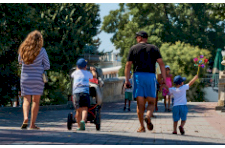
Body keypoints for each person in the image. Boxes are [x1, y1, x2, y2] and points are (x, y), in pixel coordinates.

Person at [125, 31, 167, 132]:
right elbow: (161, 64)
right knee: (151, 102)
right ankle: (148, 116)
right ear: (146, 38)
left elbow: (128, 65)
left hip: (138, 77)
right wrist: (164, 80)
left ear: (139, 38)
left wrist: (127, 80)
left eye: (136, 38)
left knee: (140, 104)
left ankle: (142, 127)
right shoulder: (154, 48)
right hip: (150, 76)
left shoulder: (133, 48)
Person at [18, 30, 50, 129]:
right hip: (37, 78)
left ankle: (25, 118)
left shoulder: (23, 49)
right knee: (35, 101)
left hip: (25, 78)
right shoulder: (42, 50)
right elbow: (47, 66)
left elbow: (19, 61)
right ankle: (32, 124)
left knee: (26, 100)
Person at [71, 58, 96, 131]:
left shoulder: (75, 73)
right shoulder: (87, 73)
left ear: (77, 66)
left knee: (78, 110)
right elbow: (94, 76)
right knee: (85, 108)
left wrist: (77, 68)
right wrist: (93, 71)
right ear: (85, 66)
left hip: (76, 93)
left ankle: (79, 126)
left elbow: (72, 75)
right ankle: (83, 120)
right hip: (85, 92)